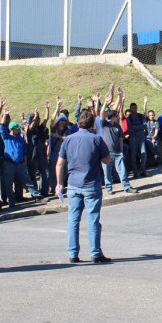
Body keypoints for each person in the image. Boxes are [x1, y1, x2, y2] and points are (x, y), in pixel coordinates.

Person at [56, 109, 112, 263]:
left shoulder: (68, 139)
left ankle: (73, 253)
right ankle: (95, 253)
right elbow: (107, 160)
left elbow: (60, 163)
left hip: (73, 184)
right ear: (92, 124)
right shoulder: (97, 139)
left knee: (73, 220)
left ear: (78, 123)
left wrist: (59, 183)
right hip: (91, 184)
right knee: (93, 219)